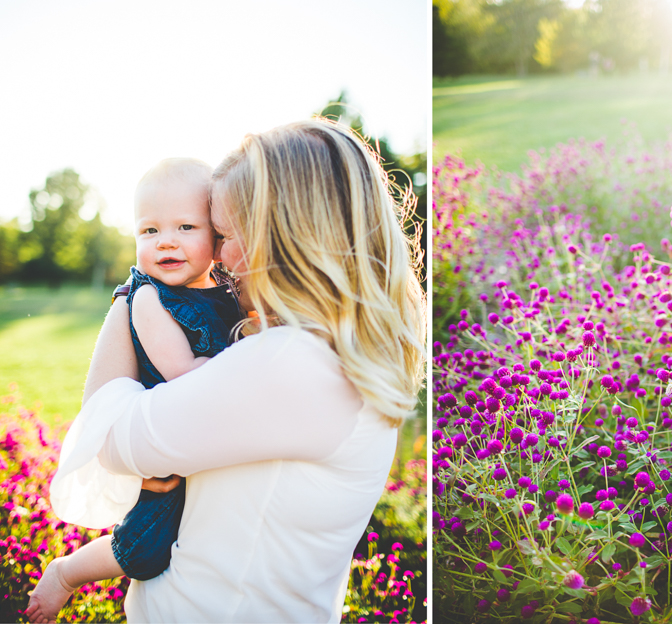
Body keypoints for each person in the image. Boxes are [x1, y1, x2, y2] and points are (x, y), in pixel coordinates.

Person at [33, 119, 426, 622]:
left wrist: (132, 298)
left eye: (223, 234)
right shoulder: (339, 351)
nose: (218, 257)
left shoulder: (290, 362)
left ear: (282, 236)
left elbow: (107, 436)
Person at [26, 158, 243, 622]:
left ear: (217, 237)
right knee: (145, 548)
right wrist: (238, 362)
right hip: (165, 446)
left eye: (186, 227)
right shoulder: (148, 298)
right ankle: (66, 572)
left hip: (201, 443)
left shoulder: (229, 288)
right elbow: (181, 370)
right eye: (149, 231)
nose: (166, 241)